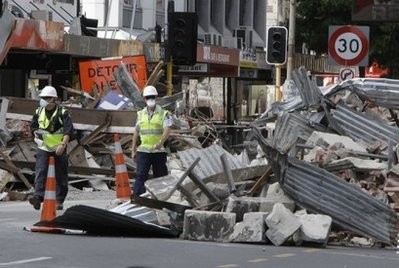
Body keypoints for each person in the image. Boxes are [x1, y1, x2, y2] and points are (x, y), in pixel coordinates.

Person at [28, 85, 74, 211]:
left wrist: (63, 145)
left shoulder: (62, 112)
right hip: (43, 147)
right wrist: (35, 134)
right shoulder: (38, 111)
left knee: (61, 175)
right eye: (42, 97)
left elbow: (68, 131)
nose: (43, 100)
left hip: (59, 147)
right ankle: (38, 197)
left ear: (53, 99)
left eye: (46, 98)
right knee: (41, 171)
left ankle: (59, 200)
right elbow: (33, 127)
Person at [131, 85, 172, 196]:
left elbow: (167, 130)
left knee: (160, 176)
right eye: (148, 97)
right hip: (144, 151)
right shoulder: (140, 114)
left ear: (156, 97)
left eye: (152, 97)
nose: (150, 100)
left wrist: (161, 142)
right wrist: (133, 149)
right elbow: (136, 132)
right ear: (144, 99)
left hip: (158, 151)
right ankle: (138, 198)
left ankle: (161, 198)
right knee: (140, 175)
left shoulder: (164, 114)